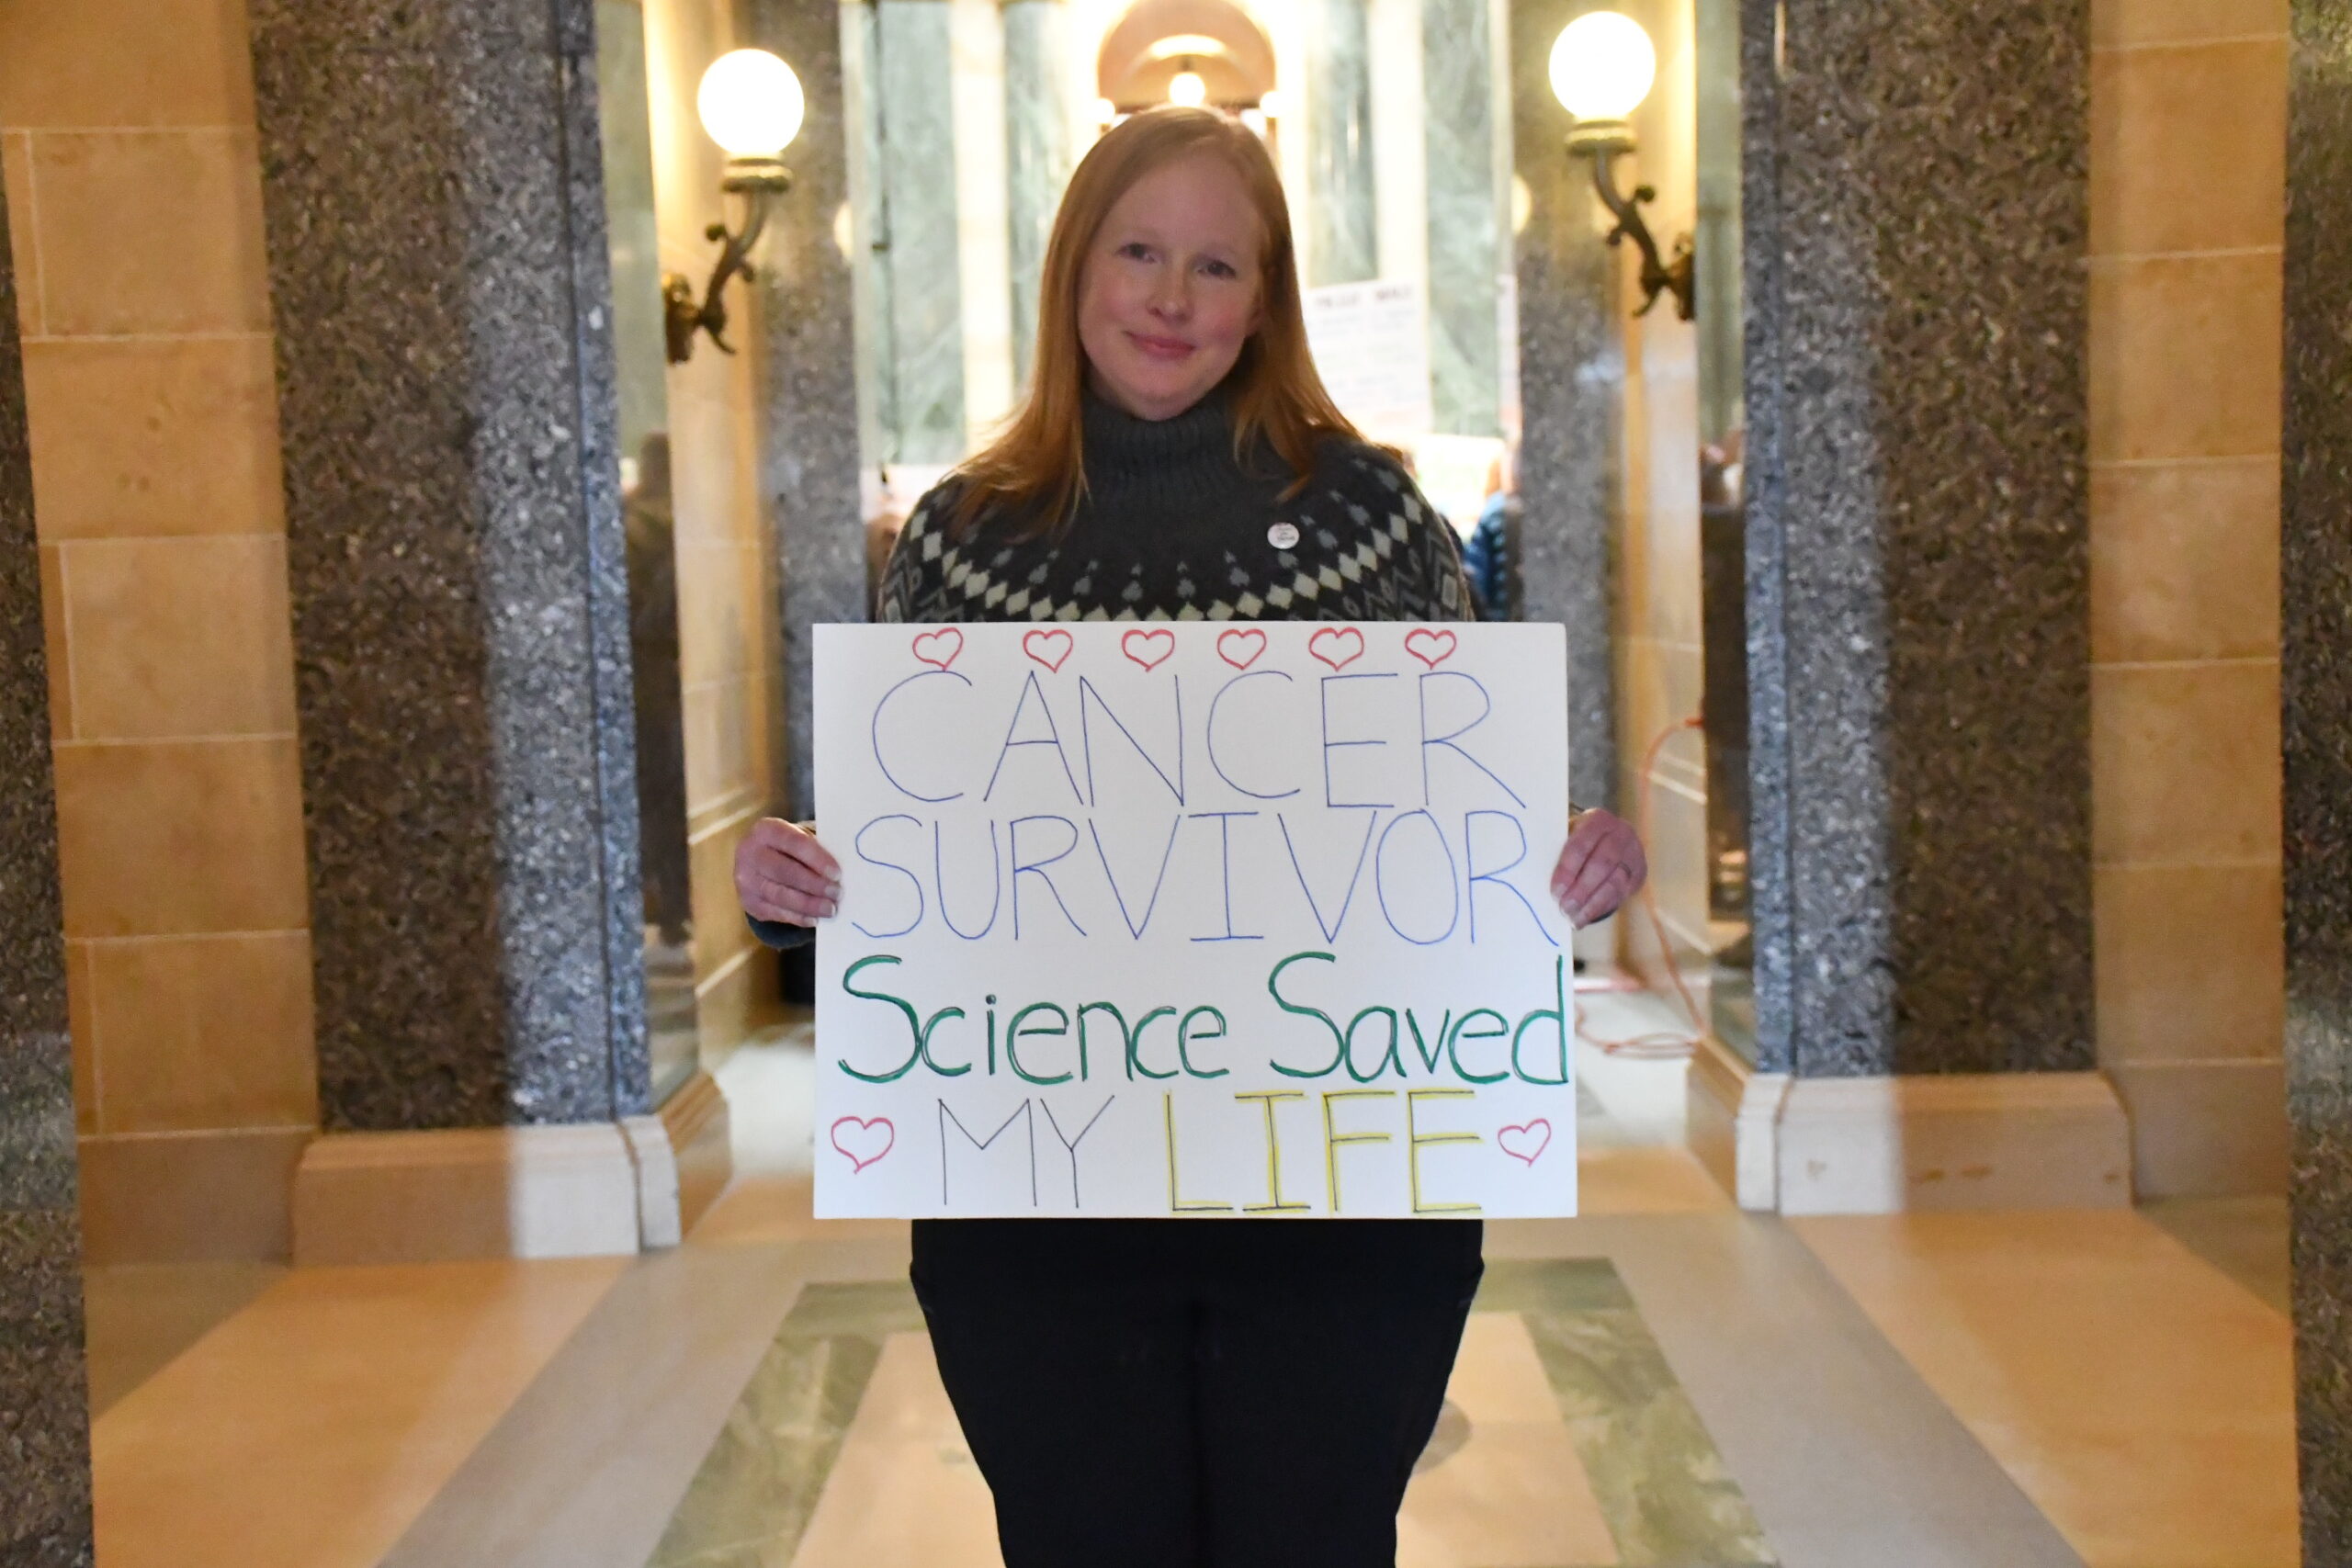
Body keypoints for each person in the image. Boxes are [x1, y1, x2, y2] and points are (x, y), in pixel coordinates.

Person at [733, 106, 1648, 1568]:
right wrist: (793, 882)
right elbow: (896, 855)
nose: (1171, 298)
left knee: (1318, 1540)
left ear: (1266, 300)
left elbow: (1460, 819)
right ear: (1073, 271)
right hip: (1038, 1205)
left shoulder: (1374, 517)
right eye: (1140, 251)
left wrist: (1569, 859)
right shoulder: (963, 537)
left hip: (1343, 1202)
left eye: (1217, 267)